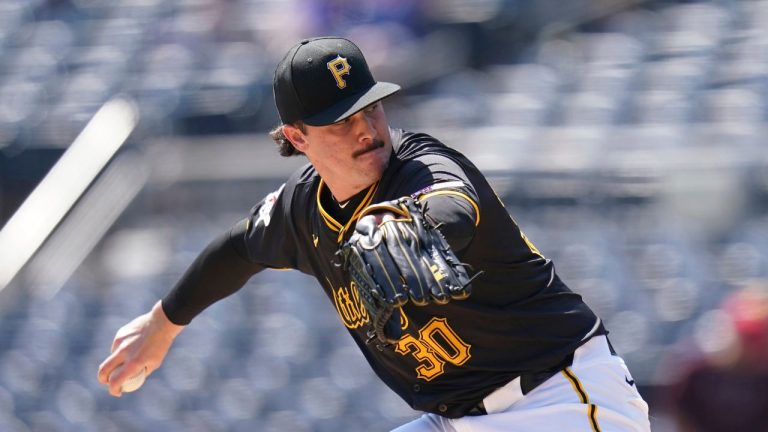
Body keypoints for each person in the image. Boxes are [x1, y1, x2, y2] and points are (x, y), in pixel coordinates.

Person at [98, 36, 651, 431]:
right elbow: (238, 248)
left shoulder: (420, 165)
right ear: (297, 135)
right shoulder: (301, 209)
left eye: (371, 107)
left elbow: (454, 204)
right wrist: (163, 323)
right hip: (456, 419)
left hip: (561, 401)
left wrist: (411, 222)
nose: (365, 128)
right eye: (341, 120)